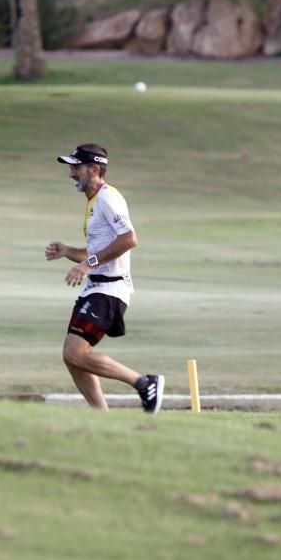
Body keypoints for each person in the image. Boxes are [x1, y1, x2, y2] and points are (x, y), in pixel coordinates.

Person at [45, 144, 164, 413]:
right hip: (95, 289)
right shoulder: (93, 203)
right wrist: (68, 252)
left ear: (94, 169)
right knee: (73, 358)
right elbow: (97, 251)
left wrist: (87, 264)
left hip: (109, 291)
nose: (71, 174)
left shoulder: (108, 199)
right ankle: (103, 417)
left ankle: (145, 384)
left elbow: (129, 239)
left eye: (76, 168)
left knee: (74, 353)